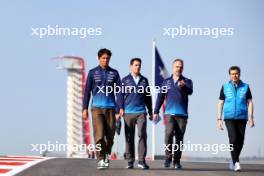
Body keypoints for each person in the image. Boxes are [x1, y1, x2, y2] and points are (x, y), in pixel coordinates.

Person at [82, 48, 121, 169]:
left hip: (111, 108)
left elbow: (119, 92)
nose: (105, 60)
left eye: (108, 58)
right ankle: (100, 159)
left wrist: (120, 108)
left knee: (110, 136)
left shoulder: (114, 73)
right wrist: (84, 108)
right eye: (103, 58)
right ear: (98, 58)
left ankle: (106, 155)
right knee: (99, 135)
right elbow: (87, 91)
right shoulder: (92, 73)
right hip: (96, 108)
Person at [153, 59, 193, 169]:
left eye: (180, 67)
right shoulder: (166, 82)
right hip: (169, 114)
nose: (178, 68)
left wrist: (183, 86)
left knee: (179, 138)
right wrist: (156, 111)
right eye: (176, 66)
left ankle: (177, 161)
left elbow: (190, 91)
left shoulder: (187, 81)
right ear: (173, 68)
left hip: (182, 115)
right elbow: (160, 97)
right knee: (168, 135)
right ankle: (167, 159)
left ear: (183, 68)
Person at [117, 58, 153, 169]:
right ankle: (130, 161)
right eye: (136, 65)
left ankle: (141, 161)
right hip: (128, 113)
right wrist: (120, 108)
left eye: (139, 65)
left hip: (141, 112)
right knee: (129, 137)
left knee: (142, 134)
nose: (138, 67)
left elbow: (148, 97)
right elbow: (119, 95)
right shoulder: (124, 80)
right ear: (131, 66)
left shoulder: (144, 80)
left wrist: (151, 111)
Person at [217, 66, 254, 172]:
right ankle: (236, 162)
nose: (234, 75)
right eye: (232, 74)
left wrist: (251, 118)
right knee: (233, 138)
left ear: (239, 74)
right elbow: (220, 103)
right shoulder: (225, 87)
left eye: (236, 73)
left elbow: (250, 102)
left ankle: (233, 159)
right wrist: (219, 119)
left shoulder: (245, 87)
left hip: (242, 117)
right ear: (230, 75)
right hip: (229, 117)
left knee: (241, 140)